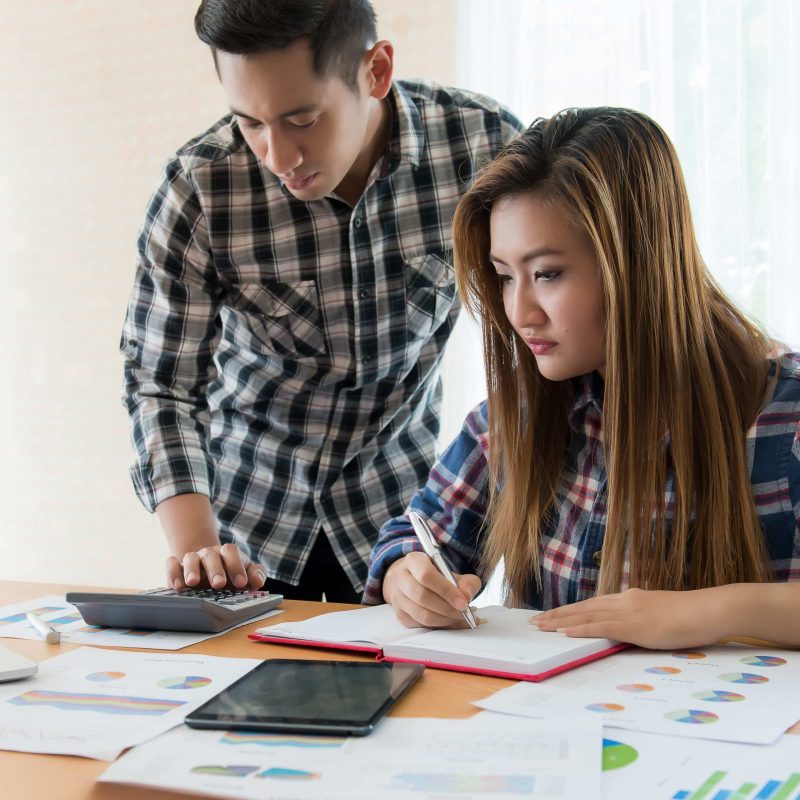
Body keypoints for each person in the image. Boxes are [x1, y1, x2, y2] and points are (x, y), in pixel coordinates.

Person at [121, 0, 523, 602]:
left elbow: (540, 333)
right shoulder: (200, 188)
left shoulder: (483, 146)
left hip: (400, 529)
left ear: (376, 72)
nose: (277, 158)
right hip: (251, 534)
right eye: (250, 124)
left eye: (302, 119)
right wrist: (199, 551)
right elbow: (161, 384)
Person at [364, 107, 800, 649]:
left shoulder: (782, 414)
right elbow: (415, 539)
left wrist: (708, 611)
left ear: (636, 263)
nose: (519, 311)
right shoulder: (518, 416)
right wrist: (407, 577)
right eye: (504, 277)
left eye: (547, 273)